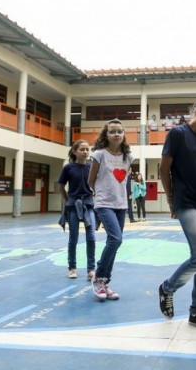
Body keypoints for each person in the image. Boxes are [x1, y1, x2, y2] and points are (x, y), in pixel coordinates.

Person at [157, 100, 196, 328]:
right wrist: (171, 199)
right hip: (186, 201)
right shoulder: (177, 134)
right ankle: (168, 288)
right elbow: (164, 169)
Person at [89, 119, 134, 301]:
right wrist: (97, 195)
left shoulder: (128, 157)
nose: (116, 134)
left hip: (121, 204)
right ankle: (98, 278)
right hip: (104, 203)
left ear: (123, 135)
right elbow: (90, 179)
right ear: (105, 135)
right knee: (115, 239)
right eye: (112, 131)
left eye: (119, 131)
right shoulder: (99, 154)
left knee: (115, 243)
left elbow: (122, 180)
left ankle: (105, 283)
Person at [58, 139, 97, 280]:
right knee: (73, 238)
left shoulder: (92, 166)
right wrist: (68, 200)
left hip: (89, 205)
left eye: (87, 149)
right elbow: (61, 186)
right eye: (82, 149)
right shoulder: (68, 168)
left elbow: (96, 183)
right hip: (73, 205)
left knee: (91, 237)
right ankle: (72, 268)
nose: (85, 152)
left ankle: (91, 269)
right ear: (75, 151)